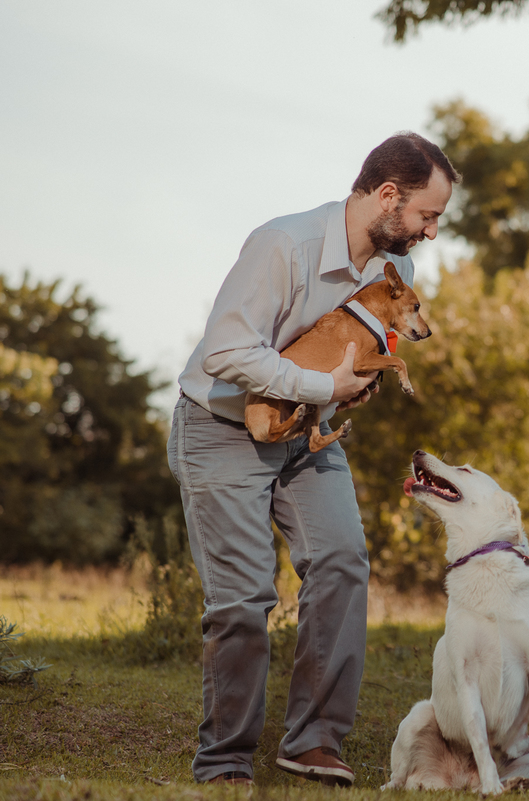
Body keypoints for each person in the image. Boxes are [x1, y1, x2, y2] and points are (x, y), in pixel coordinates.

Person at [167, 132, 459, 787]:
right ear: (389, 196)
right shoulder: (285, 245)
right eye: (427, 215)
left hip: (308, 433)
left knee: (342, 560)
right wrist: (324, 385)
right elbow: (226, 352)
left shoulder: (396, 273)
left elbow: (347, 353)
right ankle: (225, 760)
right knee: (244, 596)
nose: (432, 232)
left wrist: (350, 388)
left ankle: (314, 739)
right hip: (222, 426)